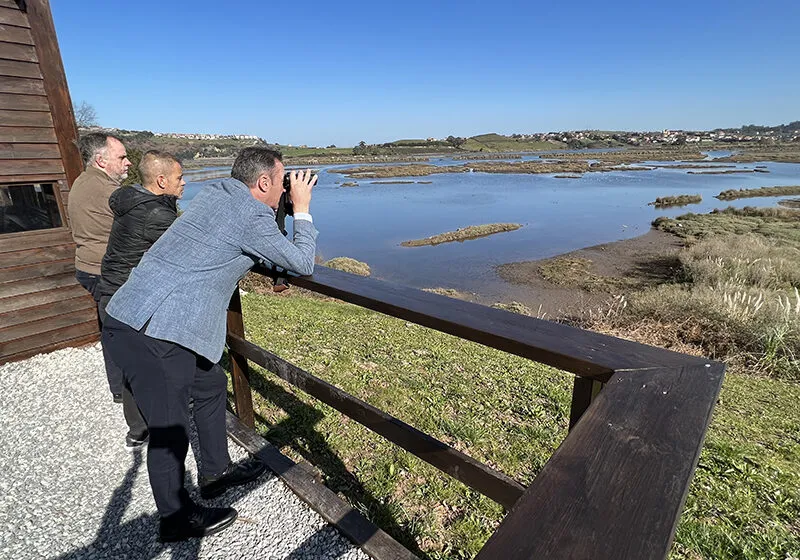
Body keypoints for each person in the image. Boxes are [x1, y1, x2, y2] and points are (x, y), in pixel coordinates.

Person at [101, 147, 318, 542]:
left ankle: (216, 473)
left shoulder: (219, 196)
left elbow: (249, 247)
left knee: (211, 385)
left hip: (136, 314)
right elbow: (301, 262)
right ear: (264, 182)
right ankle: (176, 518)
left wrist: (279, 211)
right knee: (170, 428)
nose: (287, 187)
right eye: (283, 180)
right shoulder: (250, 214)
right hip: (153, 329)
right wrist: (300, 208)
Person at [95, 150, 186, 450]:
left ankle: (138, 429)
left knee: (133, 365)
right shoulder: (157, 214)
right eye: (179, 178)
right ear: (161, 181)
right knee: (148, 362)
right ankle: (155, 426)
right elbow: (185, 252)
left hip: (110, 288)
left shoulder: (133, 200)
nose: (183, 183)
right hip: (128, 296)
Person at [68, 133, 132, 402]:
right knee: (122, 334)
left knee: (111, 329)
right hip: (106, 271)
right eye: (122, 157)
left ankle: (121, 389)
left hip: (89, 267)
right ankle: (128, 391)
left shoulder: (82, 182)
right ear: (101, 160)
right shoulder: (110, 193)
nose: (128, 162)